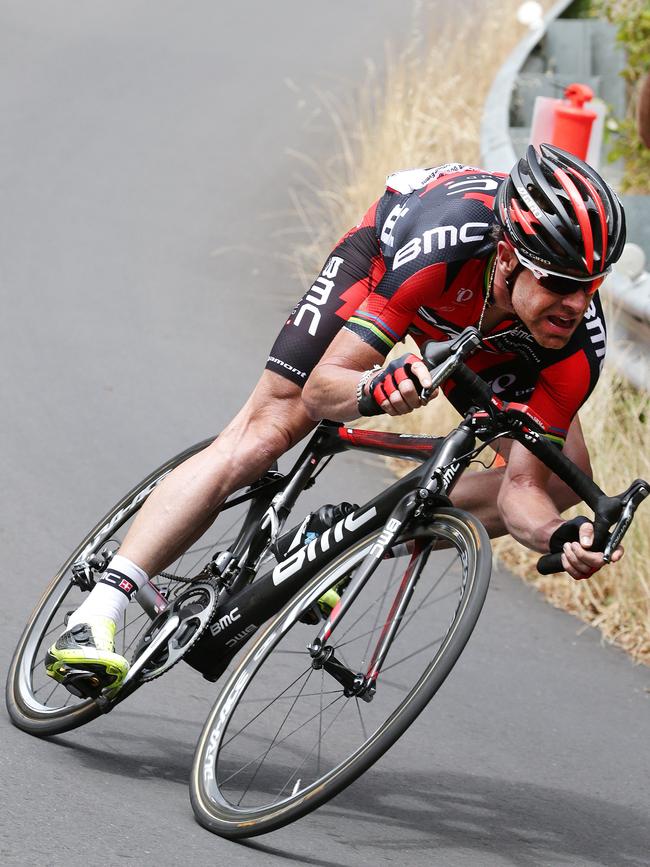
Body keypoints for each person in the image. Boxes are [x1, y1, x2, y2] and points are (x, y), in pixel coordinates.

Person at [45, 143, 626, 691]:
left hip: (499, 331)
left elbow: (522, 489)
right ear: (507, 256)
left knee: (562, 468)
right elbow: (326, 390)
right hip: (388, 265)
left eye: (591, 285)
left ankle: (348, 539)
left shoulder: (574, 343)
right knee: (266, 432)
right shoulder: (443, 248)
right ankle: (100, 610)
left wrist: (558, 535)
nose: (576, 302)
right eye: (558, 282)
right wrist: (377, 386)